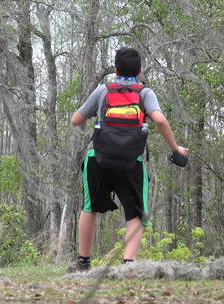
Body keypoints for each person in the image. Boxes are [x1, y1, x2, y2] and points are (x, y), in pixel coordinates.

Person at [68, 47, 188, 272]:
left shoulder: (103, 90)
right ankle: (128, 267)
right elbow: (160, 120)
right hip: (132, 161)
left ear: (115, 69)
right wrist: (176, 149)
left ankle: (83, 263)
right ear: (139, 71)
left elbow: (76, 119)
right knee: (136, 214)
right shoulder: (145, 93)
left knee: (89, 207)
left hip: (98, 157)